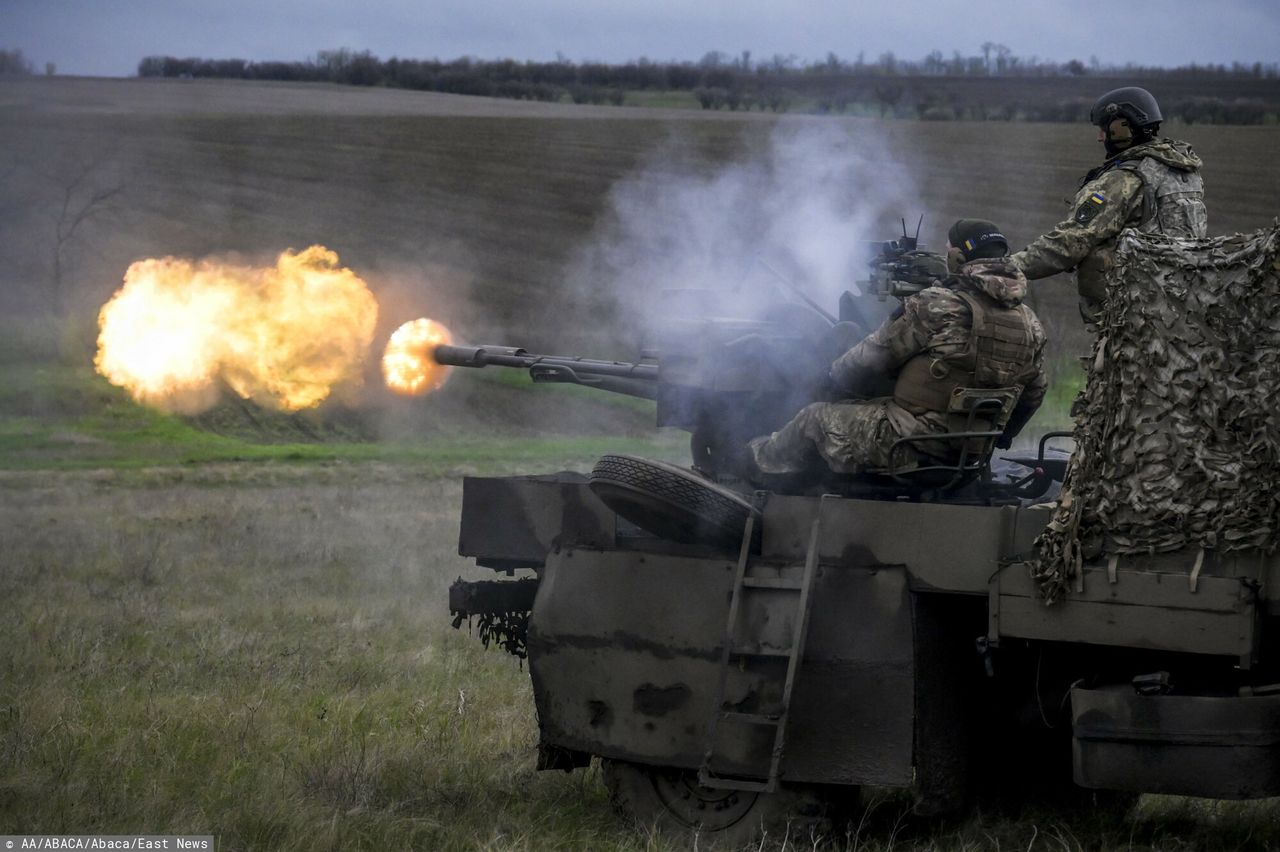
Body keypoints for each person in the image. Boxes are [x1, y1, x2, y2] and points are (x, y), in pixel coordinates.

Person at [748, 219, 1047, 479]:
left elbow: (869, 358)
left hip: (908, 446)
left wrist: (829, 381)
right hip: (968, 454)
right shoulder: (1030, 323)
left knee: (812, 418)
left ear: (957, 257)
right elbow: (1034, 392)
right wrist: (1000, 437)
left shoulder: (936, 306)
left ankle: (757, 468)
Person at [1011, 86, 1207, 322]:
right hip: (1179, 302)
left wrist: (1008, 266)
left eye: (1105, 128)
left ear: (1124, 126)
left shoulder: (1123, 179)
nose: (1100, 137)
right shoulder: (1181, 171)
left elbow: (1071, 241)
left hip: (1132, 311)